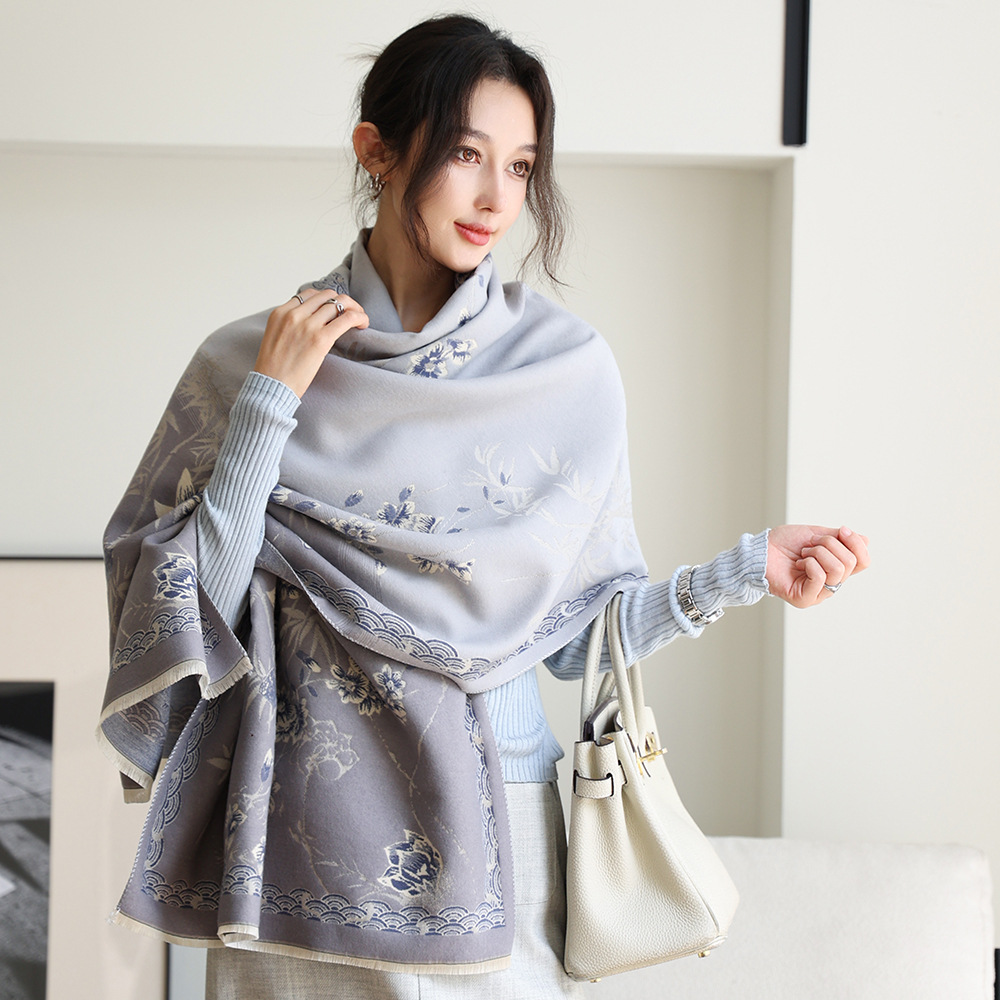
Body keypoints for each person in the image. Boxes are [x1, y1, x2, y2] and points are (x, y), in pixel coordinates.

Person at [97, 14, 869, 1000]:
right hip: (299, 836)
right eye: (467, 154)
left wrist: (741, 572)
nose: (497, 198)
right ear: (376, 151)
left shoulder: (564, 373)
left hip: (502, 827)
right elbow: (184, 607)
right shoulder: (247, 360)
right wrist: (269, 403)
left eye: (520, 166)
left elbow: (572, 644)